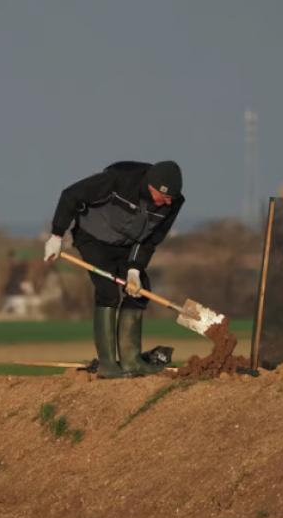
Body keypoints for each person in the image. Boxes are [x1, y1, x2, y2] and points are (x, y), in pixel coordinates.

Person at [44, 161, 184, 378]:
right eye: (163, 196)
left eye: (171, 198)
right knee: (108, 291)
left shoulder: (172, 203)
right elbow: (70, 195)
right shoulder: (118, 180)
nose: (167, 202)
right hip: (93, 238)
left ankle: (131, 361)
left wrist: (134, 270)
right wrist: (56, 235)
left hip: (127, 245)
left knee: (139, 291)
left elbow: (149, 241)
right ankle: (108, 364)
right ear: (150, 186)